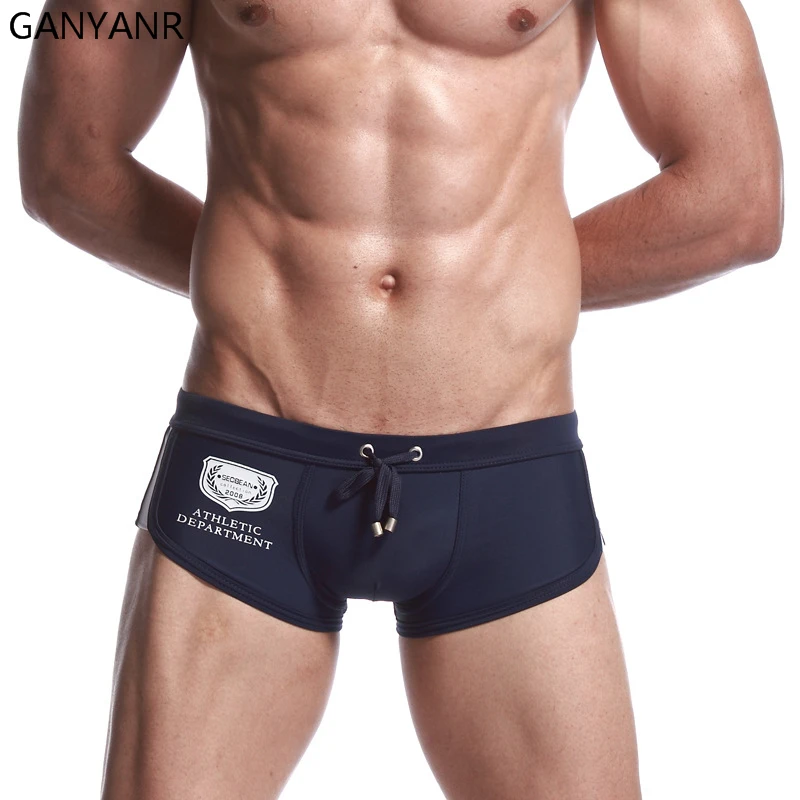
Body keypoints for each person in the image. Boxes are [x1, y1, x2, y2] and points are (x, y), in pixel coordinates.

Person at [18, 0, 783, 797]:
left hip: (505, 466)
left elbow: (737, 196)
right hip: (251, 456)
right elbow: (68, 165)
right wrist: (270, 280)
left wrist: (506, 284)